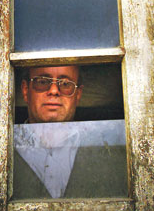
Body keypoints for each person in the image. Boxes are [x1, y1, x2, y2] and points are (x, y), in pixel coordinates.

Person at [13, 65, 127, 199]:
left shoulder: (110, 148)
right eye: (42, 82)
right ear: (25, 90)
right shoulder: (3, 149)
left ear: (78, 94)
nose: (54, 90)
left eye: (65, 84)